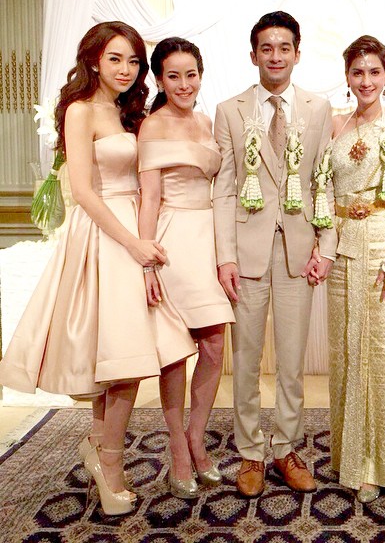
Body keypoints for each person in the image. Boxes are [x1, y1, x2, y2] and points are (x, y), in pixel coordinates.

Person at [0, 22, 196, 516]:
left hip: (134, 229)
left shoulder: (129, 110)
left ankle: (98, 444)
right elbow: (84, 192)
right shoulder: (81, 110)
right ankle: (109, 465)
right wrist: (133, 243)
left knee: (121, 355)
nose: (126, 69)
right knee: (123, 358)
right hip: (104, 235)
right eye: (115, 58)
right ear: (93, 60)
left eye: (133, 61)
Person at [213, 11, 337, 498]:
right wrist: (225, 256)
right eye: (266, 48)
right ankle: (250, 452)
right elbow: (224, 189)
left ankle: (285, 447)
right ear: (253, 55)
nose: (276, 56)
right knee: (245, 359)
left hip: (298, 251)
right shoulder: (229, 110)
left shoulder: (317, 108)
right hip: (246, 252)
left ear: (297, 53)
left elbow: (323, 180)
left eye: (284, 47)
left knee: (292, 359)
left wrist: (327, 245)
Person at [137, 37, 236, 499]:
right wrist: (147, 262)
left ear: (200, 76)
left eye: (190, 74)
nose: (183, 84)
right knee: (177, 352)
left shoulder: (205, 121)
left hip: (208, 235)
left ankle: (197, 437)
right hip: (172, 240)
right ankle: (178, 447)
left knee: (214, 345)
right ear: (159, 79)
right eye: (173, 76)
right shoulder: (152, 127)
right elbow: (150, 198)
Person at [327, 35, 385, 503]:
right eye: (357, 72)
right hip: (343, 245)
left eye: (374, 72)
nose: (365, 81)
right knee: (346, 351)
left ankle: (384, 464)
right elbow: (325, 189)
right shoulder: (336, 125)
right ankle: (351, 460)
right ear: (347, 76)